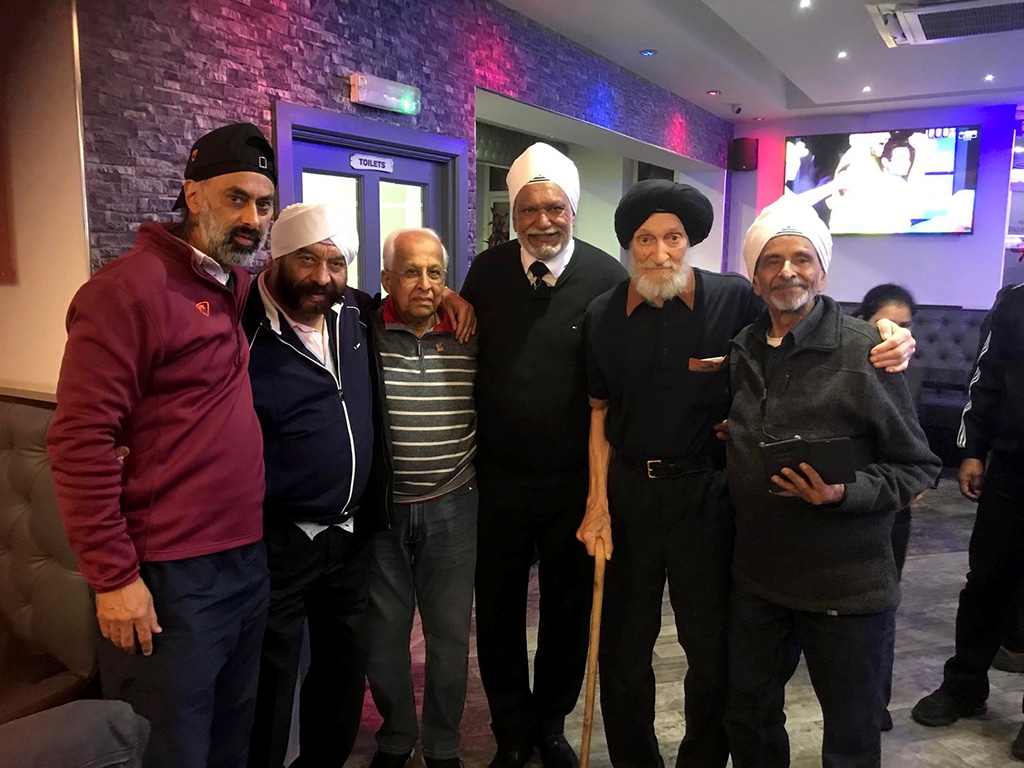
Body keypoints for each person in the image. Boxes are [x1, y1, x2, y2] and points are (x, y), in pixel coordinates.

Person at [576, 182, 918, 768]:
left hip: (710, 496)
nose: (660, 252)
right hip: (631, 494)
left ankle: (703, 761)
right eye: (646, 239)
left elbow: (806, 309)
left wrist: (891, 334)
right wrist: (597, 502)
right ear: (629, 246)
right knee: (622, 649)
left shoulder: (733, 299)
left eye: (674, 238)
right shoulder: (602, 314)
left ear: (690, 243)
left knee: (710, 651)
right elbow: (599, 414)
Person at [47, 122, 276, 768]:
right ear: (193, 195)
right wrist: (114, 576)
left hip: (243, 563)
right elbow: (78, 439)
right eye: (236, 199)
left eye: (263, 204)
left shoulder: (226, 284)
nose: (252, 219)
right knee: (168, 750)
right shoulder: (127, 290)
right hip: (170, 577)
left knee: (231, 742)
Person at [724, 200, 940, 768]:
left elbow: (917, 466)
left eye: (802, 259)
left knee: (850, 737)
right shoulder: (744, 347)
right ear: (754, 275)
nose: (787, 272)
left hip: (847, 587)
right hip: (759, 578)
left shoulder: (866, 350)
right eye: (772, 261)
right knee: (748, 717)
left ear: (822, 272)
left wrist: (844, 493)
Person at [460, 142, 628, 768]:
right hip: (498, 480)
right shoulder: (486, 271)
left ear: (573, 210)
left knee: (567, 608)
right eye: (528, 210)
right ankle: (509, 729)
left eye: (554, 208)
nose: (541, 222)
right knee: (497, 610)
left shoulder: (608, 278)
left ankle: (551, 722)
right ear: (514, 211)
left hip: (574, 485)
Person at [243, 202, 384, 768]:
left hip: (351, 538)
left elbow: (410, 300)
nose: (323, 279)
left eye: (336, 263)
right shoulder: (242, 325)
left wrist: (448, 296)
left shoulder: (355, 312)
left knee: (344, 670)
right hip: (279, 539)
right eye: (308, 260)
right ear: (277, 257)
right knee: (270, 680)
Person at [364, 228, 479, 768]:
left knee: (450, 637)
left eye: (436, 272)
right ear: (386, 280)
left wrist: (458, 299)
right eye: (411, 272)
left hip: (454, 504)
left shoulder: (468, 333)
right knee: (384, 638)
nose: (426, 284)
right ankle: (395, 737)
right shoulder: (361, 331)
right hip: (384, 512)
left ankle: (444, 745)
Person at [911, 283, 1024, 760]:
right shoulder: (1016, 301)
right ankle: (964, 687)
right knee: (985, 583)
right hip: (1013, 471)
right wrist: (972, 452)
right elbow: (986, 378)